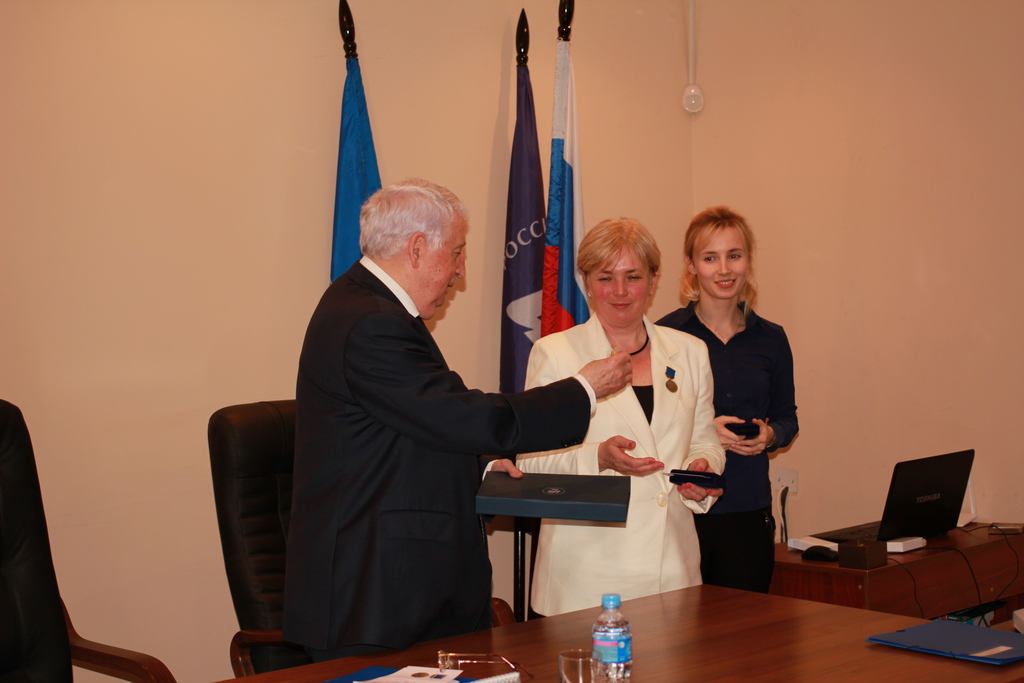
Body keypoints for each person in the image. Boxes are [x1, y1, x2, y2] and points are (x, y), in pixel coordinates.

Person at [283, 179, 632, 661]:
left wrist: (482, 465)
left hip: (395, 593)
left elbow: (416, 427)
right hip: (375, 600)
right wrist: (583, 389)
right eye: (457, 252)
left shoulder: (368, 307)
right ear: (417, 248)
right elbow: (460, 415)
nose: (461, 269)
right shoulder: (371, 321)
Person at [515, 218, 726, 616]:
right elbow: (530, 463)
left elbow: (705, 440)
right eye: (605, 278)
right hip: (585, 579)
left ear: (654, 279)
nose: (620, 291)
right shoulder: (555, 354)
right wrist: (597, 457)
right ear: (586, 281)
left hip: (672, 572)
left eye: (633, 276)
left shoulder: (691, 351)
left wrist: (702, 468)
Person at [657, 206, 798, 593]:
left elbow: (788, 418)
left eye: (734, 255)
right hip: (682, 508)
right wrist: (704, 432)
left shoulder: (772, 338)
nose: (724, 269)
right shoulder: (664, 337)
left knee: (745, 626)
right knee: (678, 626)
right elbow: (651, 427)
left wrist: (770, 435)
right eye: (710, 258)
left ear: (748, 261)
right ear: (691, 265)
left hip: (749, 509)